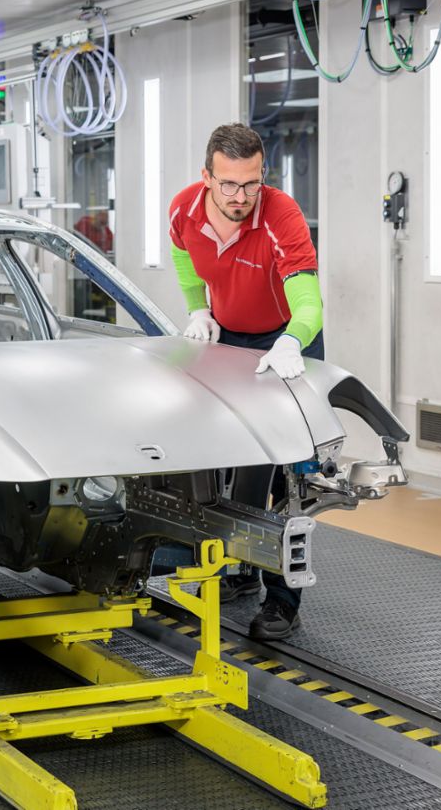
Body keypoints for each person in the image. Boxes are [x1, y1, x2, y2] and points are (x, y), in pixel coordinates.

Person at [168, 122, 325, 641]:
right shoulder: (184, 209)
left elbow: (308, 301)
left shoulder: (280, 214)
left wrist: (292, 340)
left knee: (288, 475)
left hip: (287, 344)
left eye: (251, 183)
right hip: (228, 335)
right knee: (231, 462)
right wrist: (198, 309)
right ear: (207, 176)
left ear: (263, 175)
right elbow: (184, 258)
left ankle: (283, 600)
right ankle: (236, 570)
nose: (241, 197)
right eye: (230, 184)